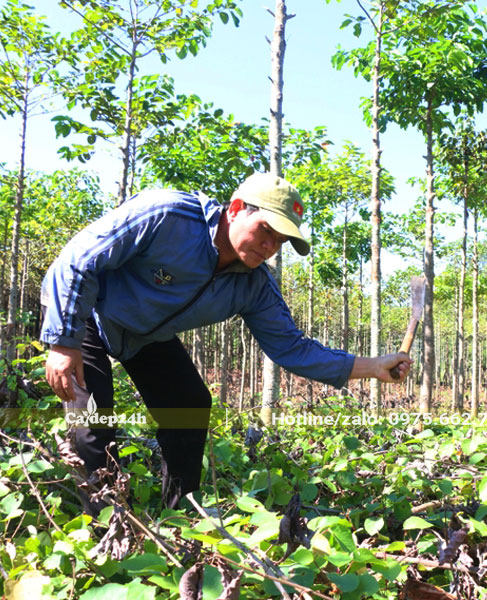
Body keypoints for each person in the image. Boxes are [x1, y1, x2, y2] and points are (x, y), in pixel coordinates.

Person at [40, 172, 410, 511]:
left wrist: (374, 367)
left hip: (145, 334)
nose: (270, 246)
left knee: (189, 403)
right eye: (266, 230)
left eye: (280, 241)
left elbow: (292, 348)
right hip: (89, 313)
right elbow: (76, 261)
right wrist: (63, 341)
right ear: (235, 209)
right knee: (93, 420)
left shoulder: (254, 285)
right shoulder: (167, 216)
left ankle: (179, 515)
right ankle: (104, 525)